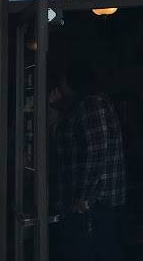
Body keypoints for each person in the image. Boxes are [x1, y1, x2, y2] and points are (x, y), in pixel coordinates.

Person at [49, 60, 126, 261]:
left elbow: (96, 150)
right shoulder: (81, 106)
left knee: (92, 250)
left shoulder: (92, 104)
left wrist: (83, 195)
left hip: (94, 201)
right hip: (90, 201)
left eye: (62, 80)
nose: (59, 84)